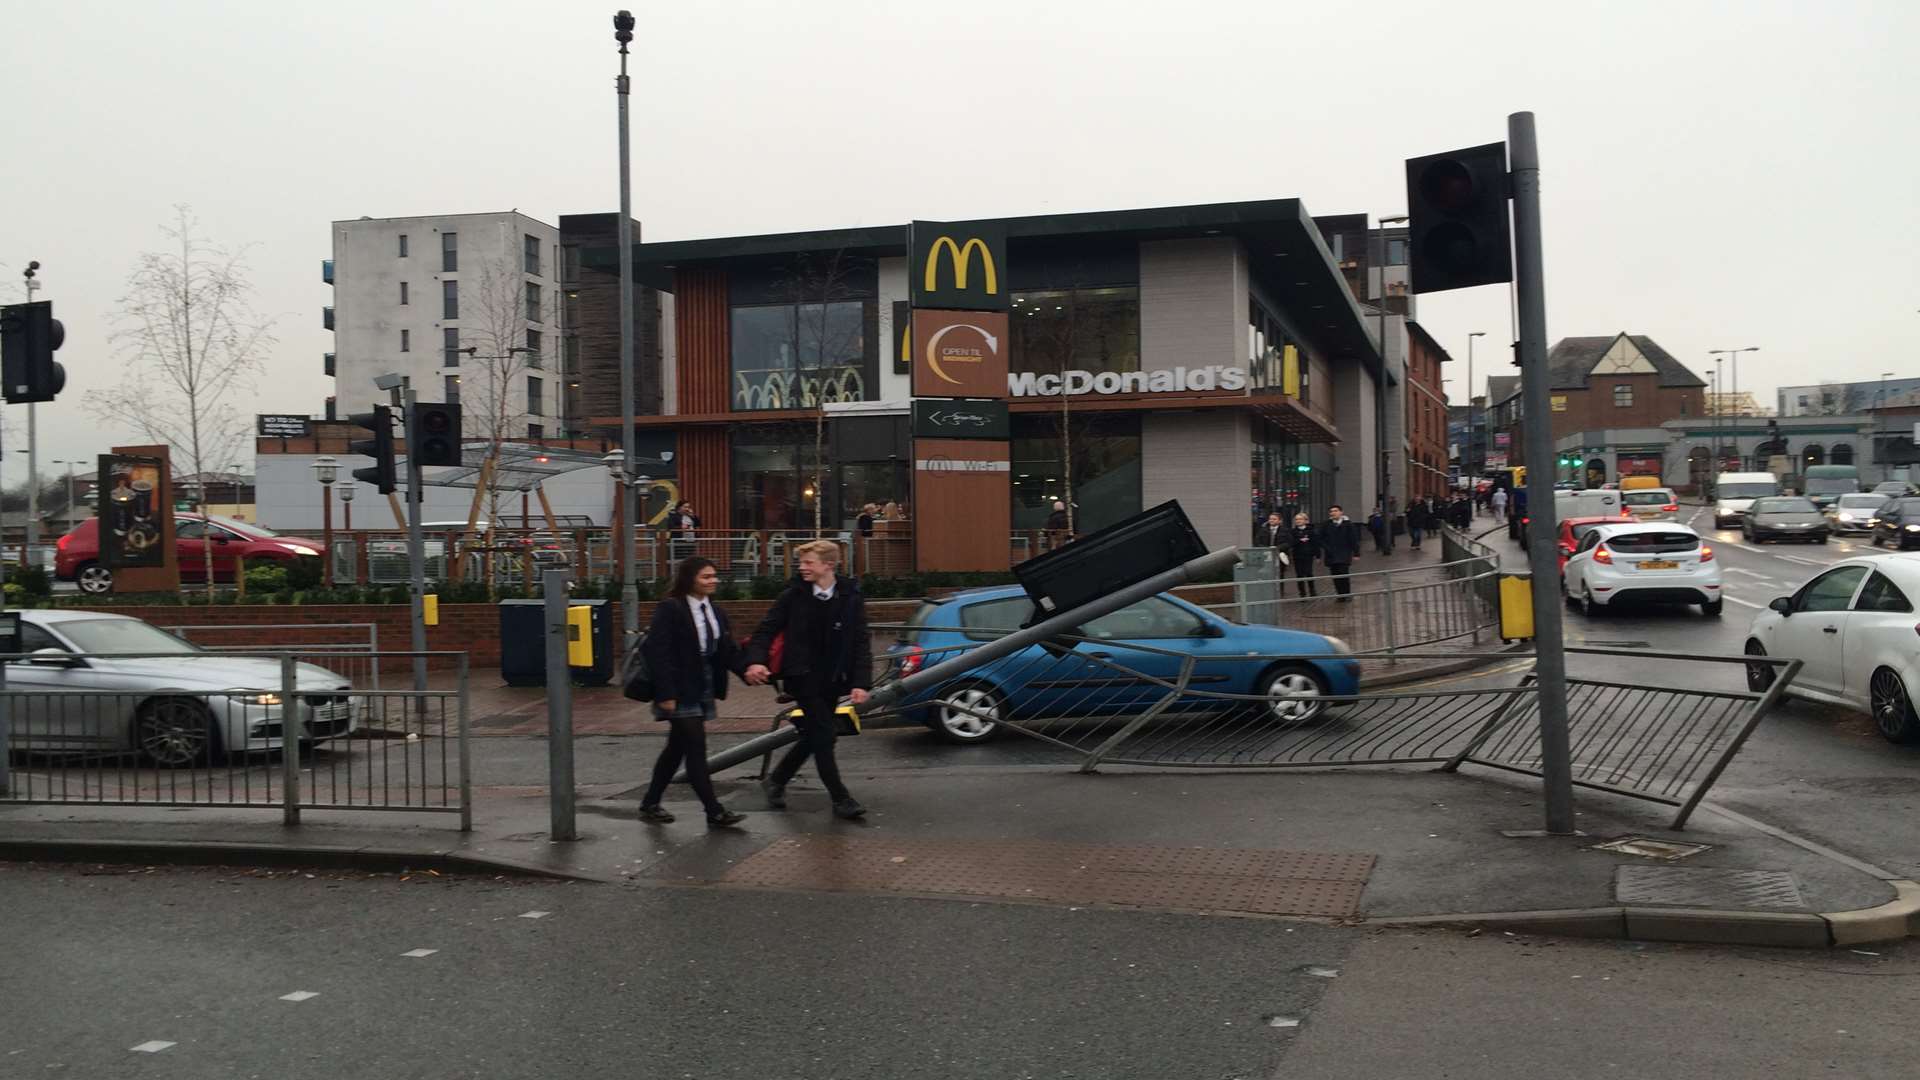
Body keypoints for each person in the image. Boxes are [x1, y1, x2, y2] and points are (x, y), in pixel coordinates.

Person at [745, 539, 872, 820]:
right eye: (800, 563)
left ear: (828, 564)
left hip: (833, 679)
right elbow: (765, 630)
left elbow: (860, 641)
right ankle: (841, 799)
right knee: (825, 735)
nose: (802, 568)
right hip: (801, 677)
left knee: (816, 735)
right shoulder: (793, 596)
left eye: (808, 562)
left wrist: (861, 682)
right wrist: (755, 660)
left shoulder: (850, 596)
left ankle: (777, 780)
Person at [637, 558, 748, 828]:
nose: (713, 581)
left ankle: (650, 802)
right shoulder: (671, 608)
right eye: (706, 577)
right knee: (695, 746)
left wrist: (749, 671)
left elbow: (726, 650)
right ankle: (714, 810)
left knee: (677, 747)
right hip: (678, 684)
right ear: (689, 580)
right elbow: (658, 652)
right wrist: (666, 693)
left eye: (714, 576)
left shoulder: (715, 611)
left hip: (703, 681)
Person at [1319, 505, 1364, 601]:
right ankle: (1340, 595)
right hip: (1331, 554)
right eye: (1331, 511)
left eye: (1335, 511)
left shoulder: (1348, 525)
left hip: (1344, 553)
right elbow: (1320, 538)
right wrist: (1326, 547)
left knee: (1343, 574)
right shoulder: (1326, 525)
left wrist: (1356, 553)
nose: (1333, 513)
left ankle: (1346, 594)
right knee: (1335, 575)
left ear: (1341, 512)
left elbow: (1353, 539)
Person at [1286, 511, 1320, 598]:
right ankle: (1302, 593)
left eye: (1300, 519)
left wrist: (1317, 555)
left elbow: (1315, 543)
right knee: (1299, 574)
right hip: (1297, 555)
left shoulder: (1311, 531)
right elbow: (1290, 543)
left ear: (1305, 520)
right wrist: (1299, 540)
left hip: (1308, 554)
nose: (1298, 521)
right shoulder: (1292, 532)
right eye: (1296, 519)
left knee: (1309, 572)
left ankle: (1312, 591)